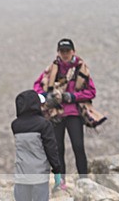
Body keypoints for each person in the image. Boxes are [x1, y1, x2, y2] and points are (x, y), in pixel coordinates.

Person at [33, 38, 99, 190]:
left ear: (73, 51)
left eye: (67, 51)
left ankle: (84, 181)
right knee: (57, 149)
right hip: (56, 114)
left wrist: (73, 97)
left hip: (74, 114)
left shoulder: (81, 68)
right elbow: (36, 87)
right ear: (58, 52)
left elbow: (91, 91)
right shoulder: (51, 69)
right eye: (62, 51)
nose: (65, 54)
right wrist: (46, 96)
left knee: (78, 146)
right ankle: (59, 183)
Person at [12, 90, 63, 201]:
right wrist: (57, 170)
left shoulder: (15, 125)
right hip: (39, 175)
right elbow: (51, 149)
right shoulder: (43, 125)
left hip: (21, 175)